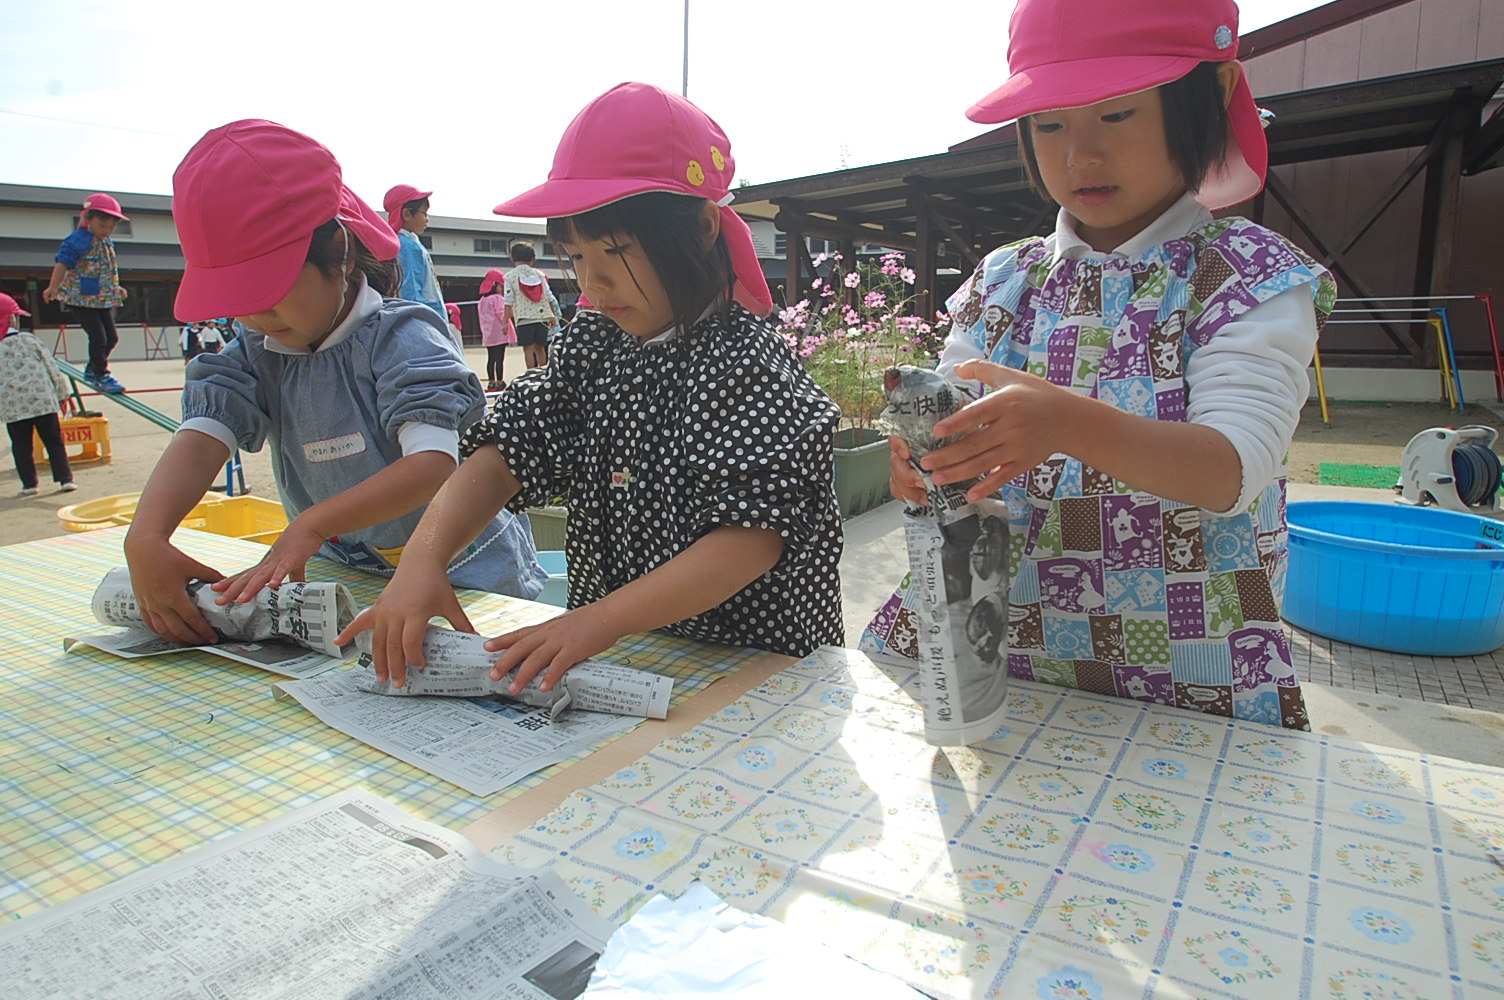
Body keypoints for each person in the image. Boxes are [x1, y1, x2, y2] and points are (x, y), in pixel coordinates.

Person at [886, 0, 1336, 730]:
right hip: (997, 661)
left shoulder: (1242, 277)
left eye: (1117, 114)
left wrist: (1064, 423)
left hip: (1187, 676)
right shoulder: (1005, 280)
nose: (1079, 155)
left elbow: (1234, 468)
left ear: (1212, 94)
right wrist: (924, 461)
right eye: (1048, 123)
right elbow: (952, 413)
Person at [339, 82, 845, 695]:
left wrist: (599, 621)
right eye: (576, 256)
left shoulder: (746, 361)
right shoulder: (595, 342)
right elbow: (510, 446)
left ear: (702, 229)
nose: (593, 281)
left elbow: (751, 537)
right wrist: (423, 559)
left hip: (757, 670)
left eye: (614, 250)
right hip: (630, 658)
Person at [124, 120, 545, 645]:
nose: (256, 315)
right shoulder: (256, 351)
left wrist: (312, 524)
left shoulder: (401, 339)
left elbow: (432, 465)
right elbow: (204, 432)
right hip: (345, 573)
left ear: (340, 252)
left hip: (462, 573)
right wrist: (146, 535)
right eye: (237, 297)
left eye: (270, 288)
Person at [42, 193, 129, 393]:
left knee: (112, 338)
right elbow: (62, 262)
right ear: (88, 218)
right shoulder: (79, 239)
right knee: (98, 337)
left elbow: (106, 268)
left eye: (111, 227)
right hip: (79, 297)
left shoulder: (106, 241)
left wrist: (116, 287)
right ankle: (100, 374)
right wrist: (53, 287)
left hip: (101, 298)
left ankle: (92, 369)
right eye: (102, 225)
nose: (107, 231)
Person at [1, 292, 77, 496]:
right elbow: (51, 368)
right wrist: (63, 394)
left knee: (21, 445)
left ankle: (29, 484)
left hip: (12, 406)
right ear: (11, 319)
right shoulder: (29, 340)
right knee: (53, 440)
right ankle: (65, 479)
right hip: (41, 400)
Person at [383, 183, 454, 342]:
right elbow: (411, 290)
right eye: (424, 213)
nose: (427, 219)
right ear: (407, 214)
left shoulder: (406, 243)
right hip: (424, 323)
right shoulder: (407, 246)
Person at [503, 241, 560, 369]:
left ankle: (531, 373)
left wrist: (505, 321)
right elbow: (548, 296)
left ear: (513, 258)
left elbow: (508, 300)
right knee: (540, 347)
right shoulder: (540, 275)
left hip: (524, 318)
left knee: (528, 348)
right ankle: (543, 373)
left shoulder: (510, 277)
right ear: (533, 259)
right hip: (542, 316)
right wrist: (552, 316)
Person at [477, 267, 514, 391]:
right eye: (500, 286)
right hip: (499, 333)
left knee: (491, 358)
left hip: (488, 333)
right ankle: (499, 381)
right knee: (499, 359)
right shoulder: (498, 299)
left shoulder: (482, 300)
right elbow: (501, 313)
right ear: (494, 285)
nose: (502, 289)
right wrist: (506, 322)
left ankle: (491, 382)